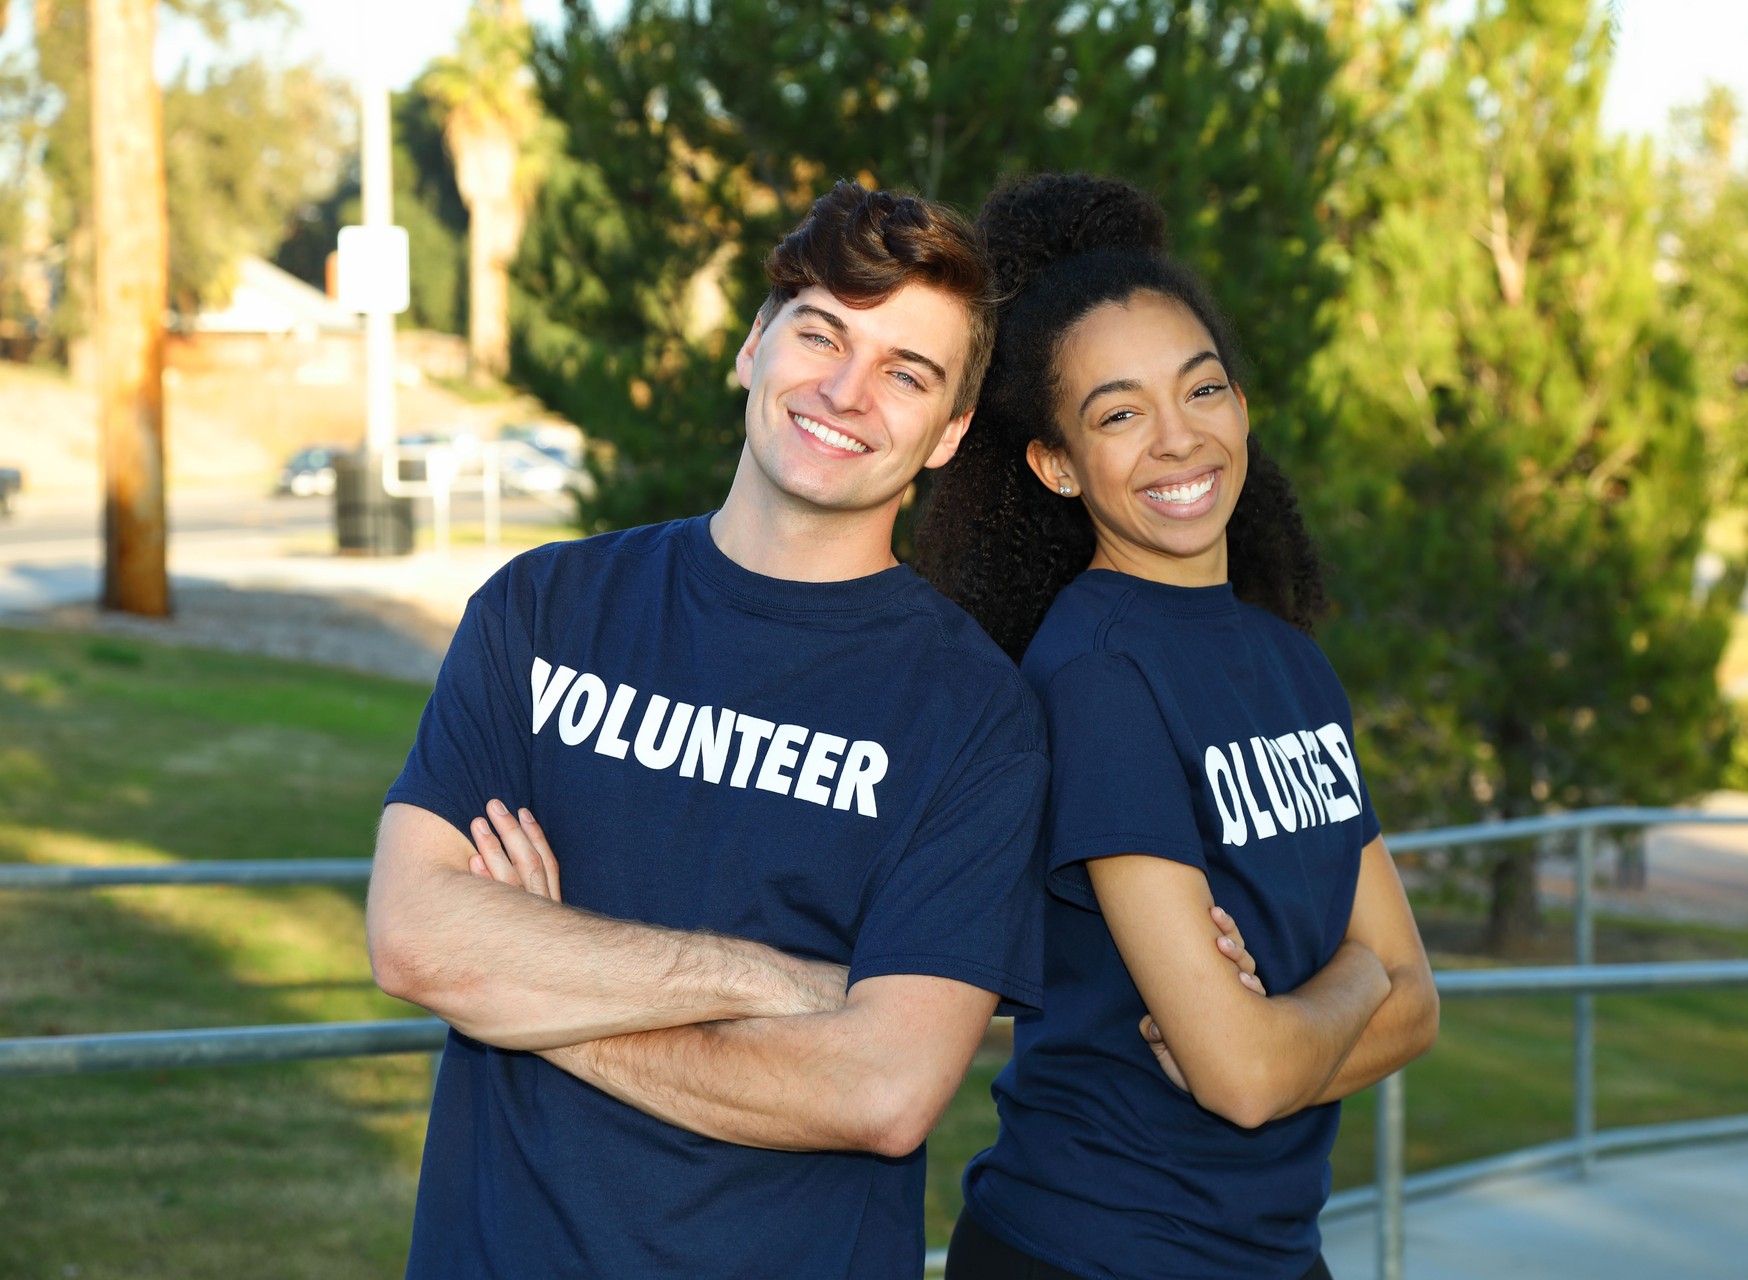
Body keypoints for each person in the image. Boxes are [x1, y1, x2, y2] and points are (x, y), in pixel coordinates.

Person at [365, 181, 1052, 1279]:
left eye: (905, 372)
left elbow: (882, 1089)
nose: (845, 388)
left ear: (949, 434)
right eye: (821, 330)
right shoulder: (545, 608)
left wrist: (529, 985)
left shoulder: (974, 715)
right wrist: (775, 978)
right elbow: (413, 936)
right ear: (752, 345)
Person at [915, 174, 1441, 1280]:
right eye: (1117, 412)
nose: (1177, 438)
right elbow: (1246, 1072)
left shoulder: (1289, 663)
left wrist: (1307, 1013)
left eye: (1201, 389)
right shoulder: (1099, 675)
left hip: (1269, 1251)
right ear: (1056, 463)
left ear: (1242, 404)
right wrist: (1353, 984)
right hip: (1093, 1248)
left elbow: (1421, 1005)